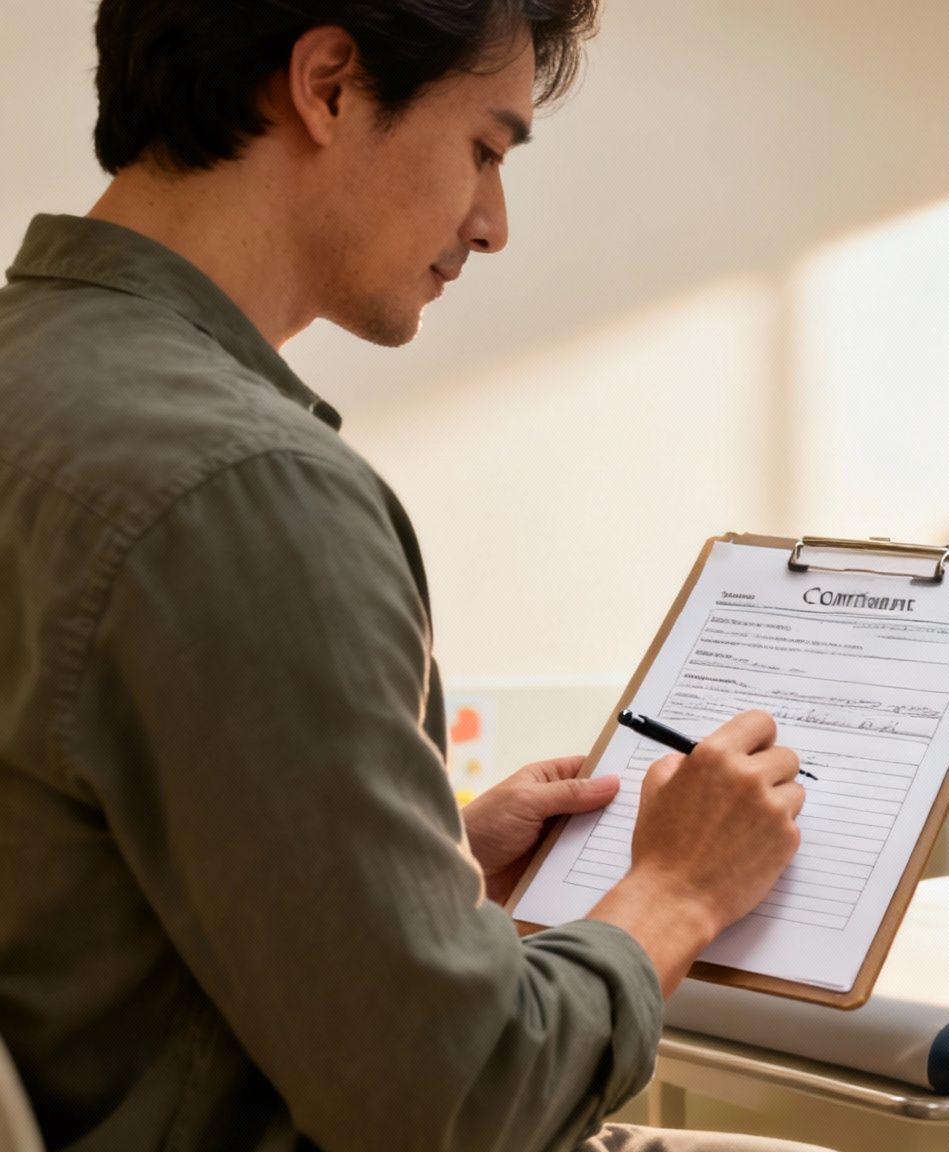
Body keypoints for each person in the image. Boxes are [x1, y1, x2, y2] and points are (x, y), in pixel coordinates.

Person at [0, 3, 827, 1150]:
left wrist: (429, 867)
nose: (491, 224)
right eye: (485, 149)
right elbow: (466, 1100)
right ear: (330, 84)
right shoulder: (247, 486)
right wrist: (677, 890)